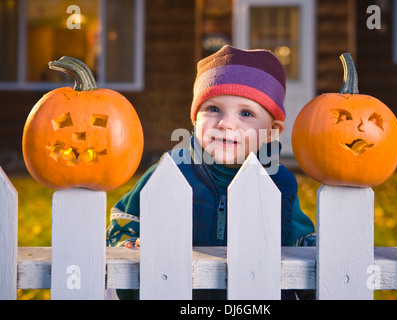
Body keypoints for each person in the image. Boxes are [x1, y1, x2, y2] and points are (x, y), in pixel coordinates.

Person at [106, 45, 316, 299]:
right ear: (195, 119)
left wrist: (310, 251)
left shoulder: (279, 184)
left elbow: (298, 243)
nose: (226, 123)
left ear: (271, 130)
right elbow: (125, 220)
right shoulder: (170, 173)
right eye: (213, 108)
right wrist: (129, 244)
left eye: (246, 113)